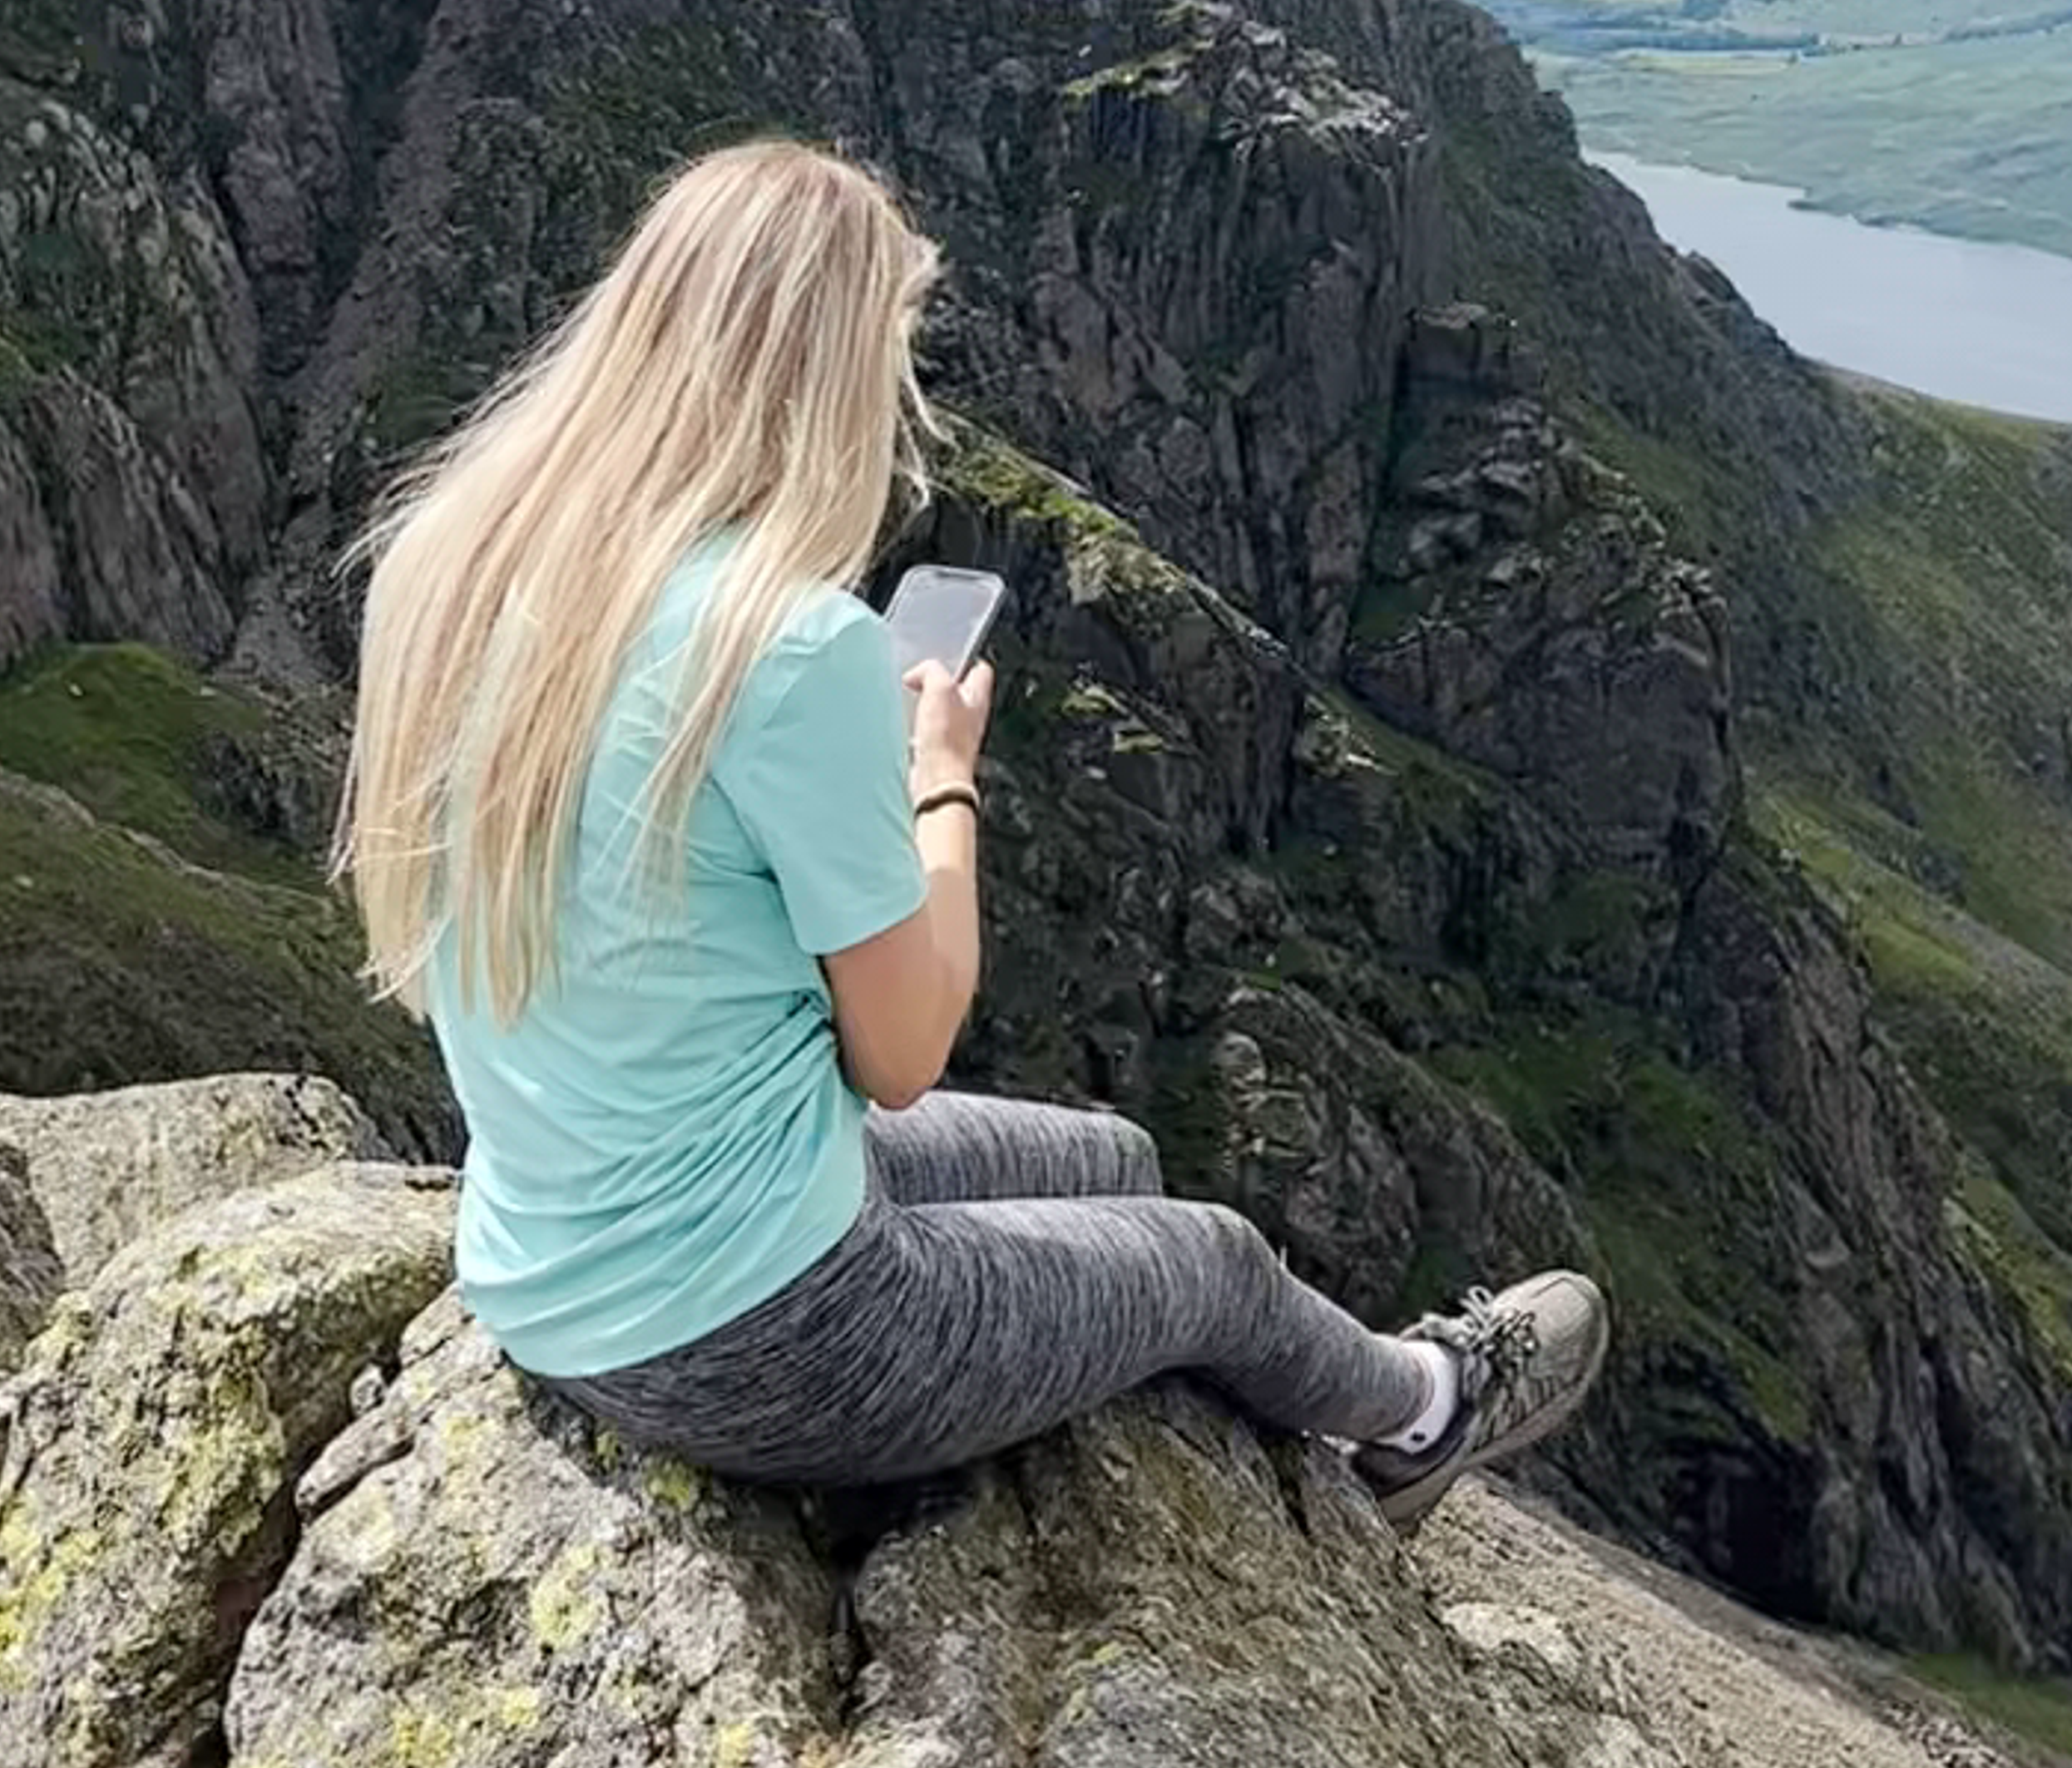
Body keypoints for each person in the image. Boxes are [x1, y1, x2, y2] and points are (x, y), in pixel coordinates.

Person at [337, 134, 1610, 1523]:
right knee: (1220, 1263)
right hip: (762, 1335)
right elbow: (898, 1054)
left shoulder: (448, 565)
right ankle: (1426, 1408)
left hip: (547, 1265)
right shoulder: (787, 648)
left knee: (1112, 1158)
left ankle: (1221, 1396)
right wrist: (938, 780)